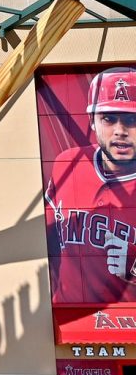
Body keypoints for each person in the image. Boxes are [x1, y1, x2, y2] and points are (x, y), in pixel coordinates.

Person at [44, 66, 136, 303]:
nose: (120, 131)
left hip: (126, 323)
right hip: (64, 319)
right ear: (92, 121)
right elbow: (46, 239)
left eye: (131, 119)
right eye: (108, 118)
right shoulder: (67, 163)